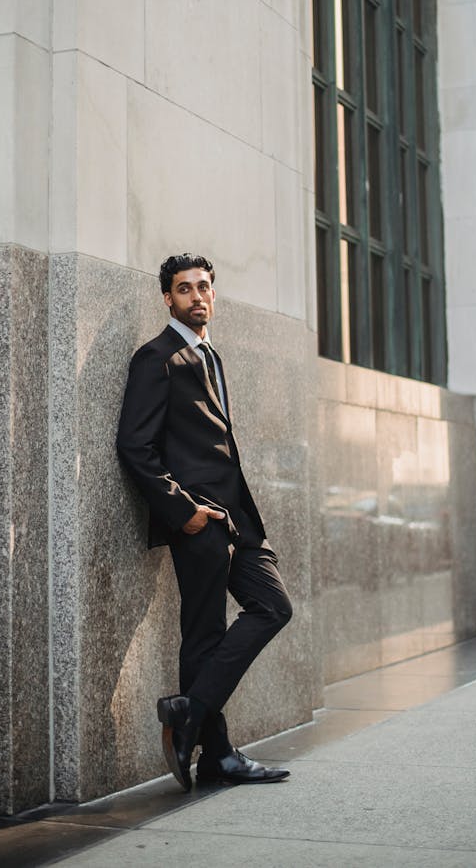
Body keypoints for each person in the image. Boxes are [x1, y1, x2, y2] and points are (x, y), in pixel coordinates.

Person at [116, 252, 292, 790]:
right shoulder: (157, 358)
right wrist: (184, 511)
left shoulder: (210, 355)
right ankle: (218, 756)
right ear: (167, 298)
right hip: (199, 519)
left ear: (213, 293)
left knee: (273, 606)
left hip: (239, 517)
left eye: (204, 287)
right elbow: (134, 446)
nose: (197, 296)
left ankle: (188, 709)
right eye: (184, 289)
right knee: (204, 633)